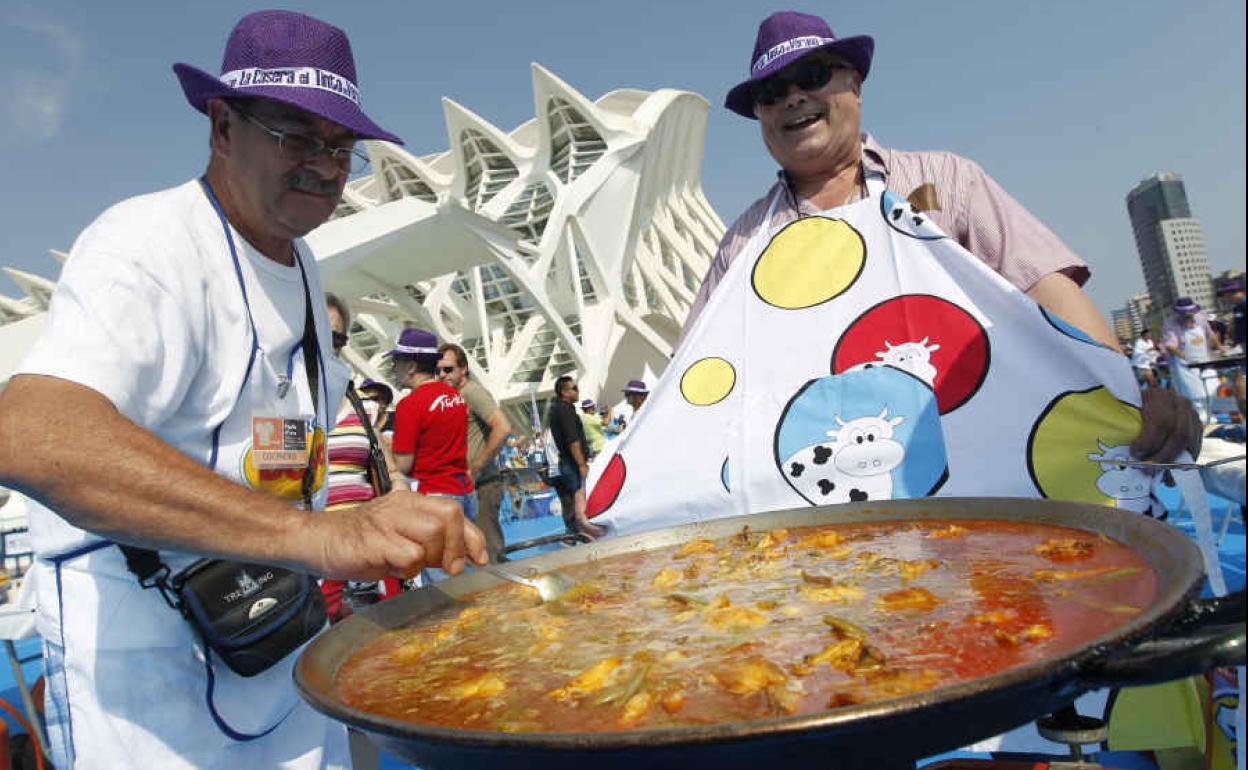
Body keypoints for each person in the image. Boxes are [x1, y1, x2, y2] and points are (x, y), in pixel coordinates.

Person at [0, 11, 484, 770]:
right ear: (223, 126)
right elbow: (29, 432)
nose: (324, 166)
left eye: (340, 147)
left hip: (277, 642)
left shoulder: (302, 266)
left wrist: (363, 522)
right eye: (296, 135)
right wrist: (315, 537)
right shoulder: (147, 246)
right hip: (151, 687)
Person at [685, 10, 1199, 463]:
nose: (793, 98)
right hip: (825, 492)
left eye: (813, 77)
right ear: (761, 117)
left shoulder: (949, 182)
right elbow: (693, 377)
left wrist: (1129, 392)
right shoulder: (743, 244)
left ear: (855, 85)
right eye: (772, 93)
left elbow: (1049, 290)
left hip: (983, 465)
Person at [322, 295, 406, 623]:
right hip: (316, 551)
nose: (329, 347)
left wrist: (400, 493)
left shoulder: (360, 406)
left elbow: (390, 469)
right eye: (319, 333)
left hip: (368, 544)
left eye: (338, 339)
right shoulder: (279, 401)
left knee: (389, 641)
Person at [437, 343, 513, 563]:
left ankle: (504, 596)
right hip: (465, 488)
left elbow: (503, 427)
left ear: (464, 369)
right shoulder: (452, 397)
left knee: (486, 553)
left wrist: (475, 468)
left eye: (448, 369)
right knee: (473, 554)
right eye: (438, 370)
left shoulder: (472, 392)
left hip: (482, 486)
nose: (442, 375)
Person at [547, 376, 606, 538]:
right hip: (572, 463)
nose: (577, 391)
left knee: (574, 498)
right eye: (575, 388)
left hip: (567, 462)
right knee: (579, 495)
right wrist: (581, 464)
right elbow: (573, 440)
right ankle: (586, 530)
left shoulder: (558, 409)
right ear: (565, 392)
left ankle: (579, 530)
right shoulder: (565, 411)